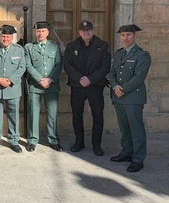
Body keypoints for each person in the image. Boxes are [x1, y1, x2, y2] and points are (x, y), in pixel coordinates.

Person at [107, 24, 151, 173]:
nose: (125, 38)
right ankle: (126, 153)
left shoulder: (142, 55)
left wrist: (123, 89)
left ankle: (138, 159)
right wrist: (115, 87)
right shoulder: (118, 54)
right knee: (124, 129)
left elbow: (139, 77)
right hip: (118, 97)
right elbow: (111, 73)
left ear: (134, 36)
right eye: (123, 35)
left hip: (133, 98)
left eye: (128, 35)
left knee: (136, 129)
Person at [64, 20, 111, 156]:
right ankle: (79, 142)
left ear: (93, 31)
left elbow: (105, 66)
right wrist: (80, 78)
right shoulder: (72, 46)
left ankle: (97, 145)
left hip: (95, 86)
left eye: (89, 30)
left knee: (98, 115)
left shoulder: (102, 46)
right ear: (79, 32)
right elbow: (68, 66)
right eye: (83, 30)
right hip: (77, 86)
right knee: (77, 115)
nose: (86, 32)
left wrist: (90, 79)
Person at [0, 25, 26, 153]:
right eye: (3, 36)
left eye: (8, 37)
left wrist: (10, 80)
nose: (5, 39)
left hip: (13, 88)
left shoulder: (19, 50)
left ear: (12, 37)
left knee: (13, 116)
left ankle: (14, 140)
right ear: (0, 36)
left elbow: (22, 67)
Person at [24, 21, 63, 152]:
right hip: (35, 86)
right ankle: (32, 140)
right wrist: (40, 79)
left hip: (52, 86)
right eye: (38, 31)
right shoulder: (29, 47)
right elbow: (28, 65)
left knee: (52, 114)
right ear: (35, 32)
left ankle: (53, 140)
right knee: (33, 114)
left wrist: (50, 79)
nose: (40, 34)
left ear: (47, 32)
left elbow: (58, 64)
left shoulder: (54, 46)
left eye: (43, 31)